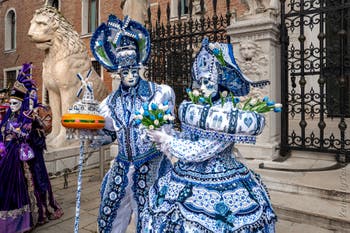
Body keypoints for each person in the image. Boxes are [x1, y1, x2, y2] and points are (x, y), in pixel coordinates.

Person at [143, 38, 277, 232]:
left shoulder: (227, 111)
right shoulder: (198, 107)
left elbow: (201, 150)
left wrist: (167, 140)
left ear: (220, 82)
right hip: (185, 173)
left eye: (209, 82)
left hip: (220, 177)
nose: (203, 87)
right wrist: (164, 133)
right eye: (201, 82)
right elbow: (189, 139)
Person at [90, 15, 175, 233]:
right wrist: (88, 138)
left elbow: (168, 134)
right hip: (121, 166)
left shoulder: (159, 93)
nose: (130, 76)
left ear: (140, 68)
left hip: (151, 165)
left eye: (133, 71)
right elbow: (108, 135)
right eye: (125, 72)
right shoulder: (109, 103)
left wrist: (158, 134)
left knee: (151, 220)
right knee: (109, 217)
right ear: (118, 72)